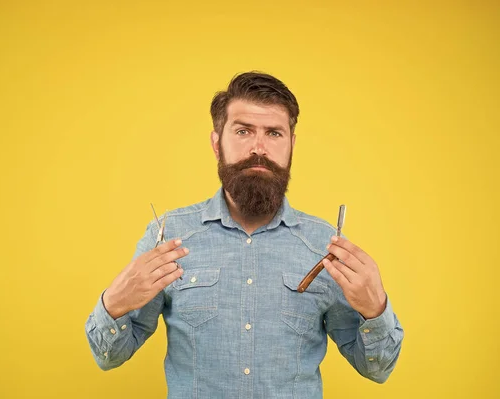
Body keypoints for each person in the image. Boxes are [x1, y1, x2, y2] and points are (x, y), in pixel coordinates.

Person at [85, 71, 404, 398]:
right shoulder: (168, 236)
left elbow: (377, 369)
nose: (259, 148)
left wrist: (375, 308)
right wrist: (114, 303)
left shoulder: (326, 246)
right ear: (216, 143)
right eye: (243, 131)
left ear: (291, 145)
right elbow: (109, 356)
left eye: (274, 133)